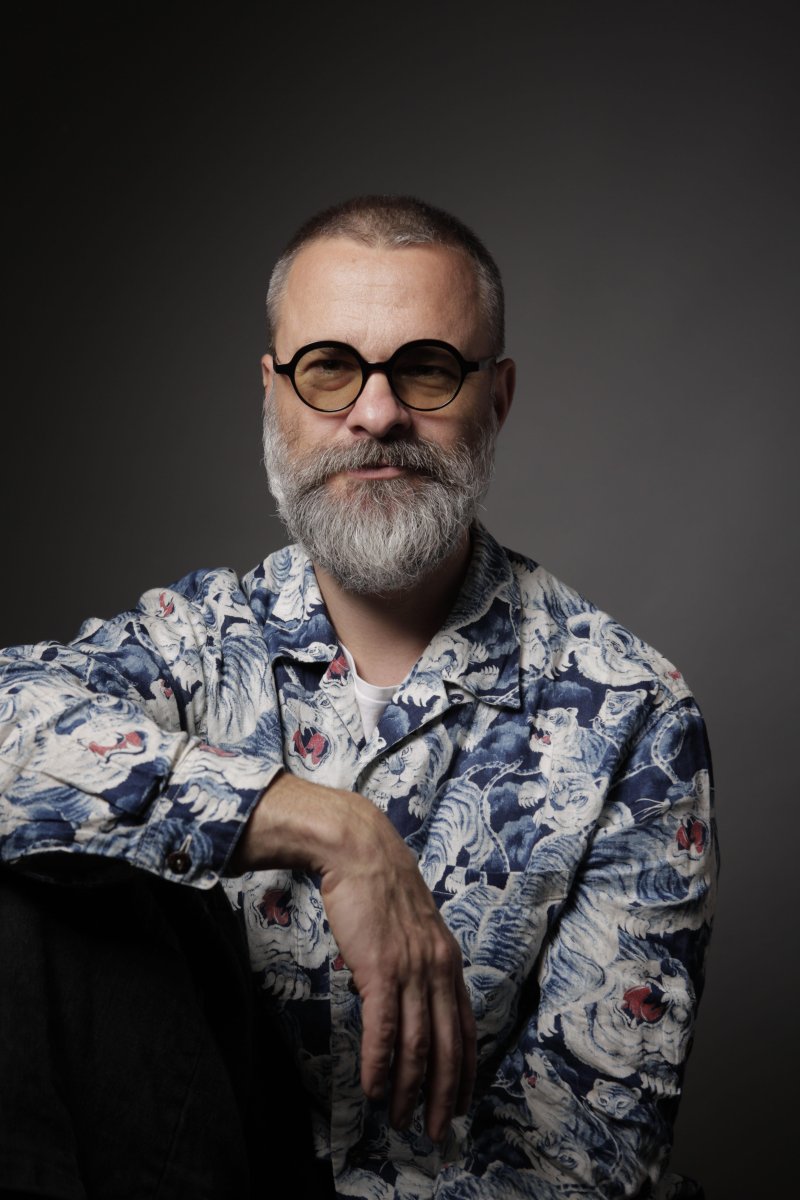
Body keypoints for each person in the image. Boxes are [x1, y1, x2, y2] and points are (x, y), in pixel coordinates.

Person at [0, 196, 716, 1199]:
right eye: (330, 368)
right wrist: (329, 830)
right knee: (27, 883)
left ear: (497, 396)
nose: (375, 414)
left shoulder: (631, 715)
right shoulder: (195, 643)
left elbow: (583, 1159)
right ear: (273, 395)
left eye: (425, 368)